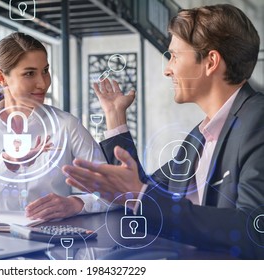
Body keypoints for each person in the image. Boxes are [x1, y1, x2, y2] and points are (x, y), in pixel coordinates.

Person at [63, 4, 264, 259]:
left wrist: (139, 195)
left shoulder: (258, 121)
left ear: (211, 62)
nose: (167, 69)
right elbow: (143, 189)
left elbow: (253, 231)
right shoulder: (198, 137)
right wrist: (115, 116)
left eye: (175, 56)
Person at [0, 32, 108, 220]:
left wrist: (76, 203)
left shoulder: (66, 125)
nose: (43, 83)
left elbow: (114, 193)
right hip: (5, 240)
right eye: (30, 73)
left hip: (57, 240)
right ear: (2, 78)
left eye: (45, 71)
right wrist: (6, 164)